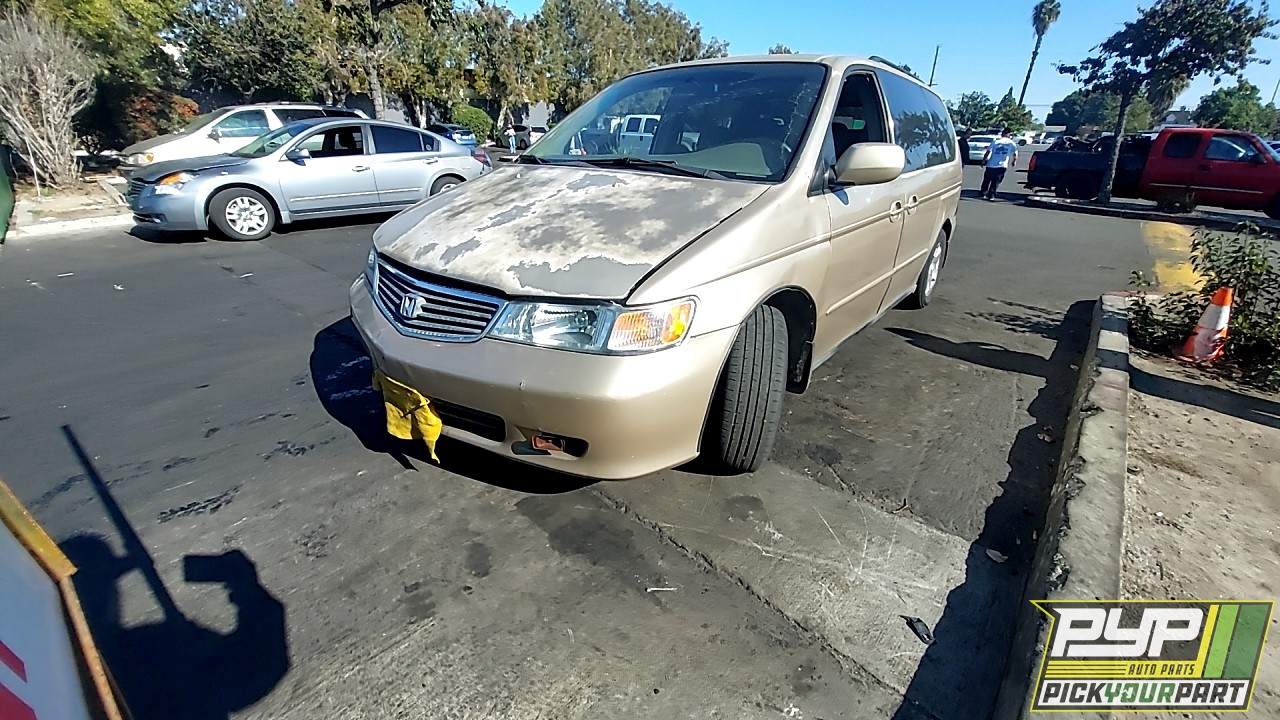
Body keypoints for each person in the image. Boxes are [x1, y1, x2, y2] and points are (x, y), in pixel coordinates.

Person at [981, 128, 1019, 200]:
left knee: (987, 179)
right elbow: (1015, 153)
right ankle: (991, 195)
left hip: (991, 164)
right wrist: (1014, 161)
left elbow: (988, 151)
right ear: (1008, 134)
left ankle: (984, 193)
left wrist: (984, 161)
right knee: (996, 181)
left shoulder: (996, 142)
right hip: (1002, 165)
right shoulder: (1011, 143)